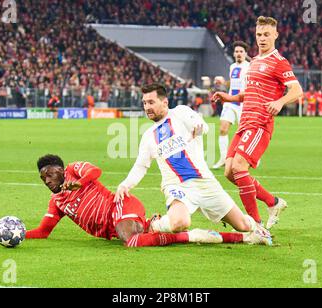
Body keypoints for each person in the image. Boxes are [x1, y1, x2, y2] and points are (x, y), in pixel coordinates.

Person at [0, 155, 270, 247]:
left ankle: (199, 235)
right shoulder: (57, 203)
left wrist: (79, 182)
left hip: (121, 205)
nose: (47, 181)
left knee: (131, 240)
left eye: (50, 174)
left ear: (60, 169)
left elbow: (96, 171)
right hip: (112, 228)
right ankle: (164, 227)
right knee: (136, 235)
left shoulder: (75, 169)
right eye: (43, 179)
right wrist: (20, 234)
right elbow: (44, 232)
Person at [114, 83, 272, 245]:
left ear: (165, 102)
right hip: (177, 186)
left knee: (243, 225)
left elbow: (202, 126)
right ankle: (155, 224)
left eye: (151, 102)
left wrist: (199, 128)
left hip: (205, 182)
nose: (147, 107)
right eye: (145, 103)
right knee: (179, 223)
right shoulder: (148, 136)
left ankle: (258, 228)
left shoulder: (180, 112)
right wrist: (126, 184)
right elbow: (141, 165)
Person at [212, 16, 303, 229]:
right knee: (229, 172)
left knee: (239, 167)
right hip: (245, 123)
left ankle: (257, 226)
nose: (262, 39)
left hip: (260, 124)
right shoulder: (254, 62)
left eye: (266, 35)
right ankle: (273, 202)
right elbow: (250, 92)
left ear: (275, 35)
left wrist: (280, 102)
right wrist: (230, 98)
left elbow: (297, 90)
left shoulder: (279, 62)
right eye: (259, 35)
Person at [213, 41, 251, 169]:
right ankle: (224, 159)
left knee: (245, 133)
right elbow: (234, 84)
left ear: (245, 53)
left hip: (244, 103)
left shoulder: (250, 67)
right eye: (237, 52)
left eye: (241, 51)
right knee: (223, 129)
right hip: (230, 102)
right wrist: (224, 83)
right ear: (234, 54)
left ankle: (250, 157)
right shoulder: (232, 67)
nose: (239, 54)